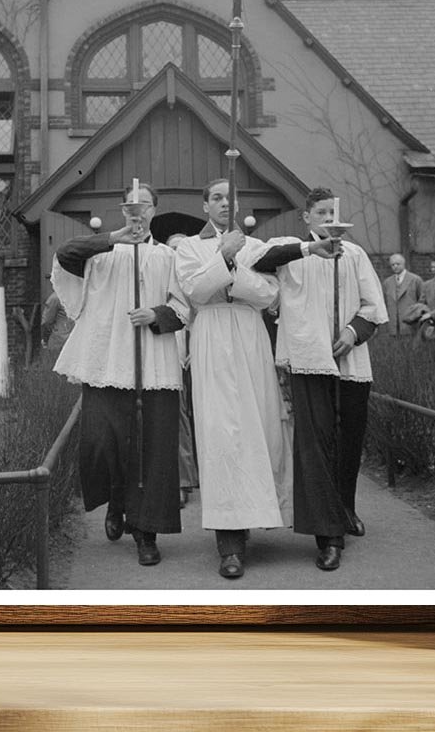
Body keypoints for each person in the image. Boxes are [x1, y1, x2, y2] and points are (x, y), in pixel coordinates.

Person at [52, 183, 187, 567]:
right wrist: (112, 238)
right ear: (122, 211)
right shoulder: (102, 255)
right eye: (131, 206)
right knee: (101, 441)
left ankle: (146, 532)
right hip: (106, 362)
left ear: (154, 212)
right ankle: (116, 498)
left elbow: (185, 305)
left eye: (145, 206)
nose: (138, 212)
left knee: (153, 450)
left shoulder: (168, 258)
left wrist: (157, 315)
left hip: (154, 363)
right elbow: (64, 255)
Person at [253, 188, 387, 572]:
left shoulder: (355, 255)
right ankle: (327, 536)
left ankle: (344, 507)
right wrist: (311, 250)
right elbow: (262, 261)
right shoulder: (292, 252)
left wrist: (352, 330)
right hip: (309, 361)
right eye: (322, 212)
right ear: (307, 218)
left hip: (351, 361)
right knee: (316, 444)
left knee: (348, 440)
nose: (329, 219)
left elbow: (373, 307)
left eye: (334, 212)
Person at [173, 178, 293, 580]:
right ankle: (228, 541)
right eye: (217, 198)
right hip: (211, 336)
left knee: (258, 426)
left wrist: (235, 268)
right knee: (221, 432)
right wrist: (223, 258)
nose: (225, 204)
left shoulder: (256, 246)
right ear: (205, 204)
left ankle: (255, 514)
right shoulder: (190, 247)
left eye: (231, 197)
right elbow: (194, 292)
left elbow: (268, 295)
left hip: (249, 336)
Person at [166, 233, 199, 508]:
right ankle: (177, 481)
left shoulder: (195, 280)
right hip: (170, 358)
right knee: (175, 419)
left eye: (181, 248)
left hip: (197, 358)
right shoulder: (162, 281)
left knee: (192, 419)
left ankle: (189, 479)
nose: (177, 253)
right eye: (172, 249)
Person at [382, 253, 424, 338]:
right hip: (393, 326)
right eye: (393, 265)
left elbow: (422, 300)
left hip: (410, 324)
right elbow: (384, 302)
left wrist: (416, 316)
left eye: (398, 264)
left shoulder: (415, 280)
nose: (395, 266)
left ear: (403, 264)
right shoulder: (387, 282)